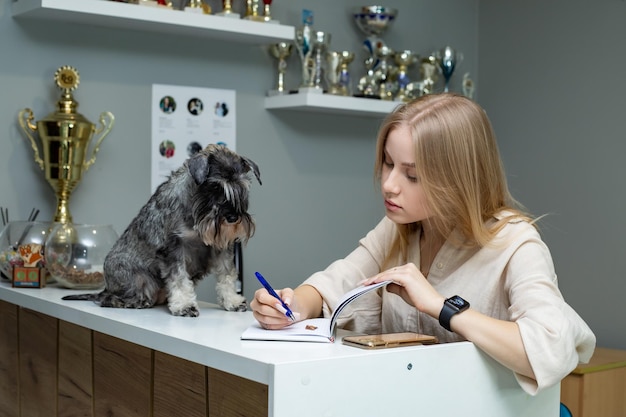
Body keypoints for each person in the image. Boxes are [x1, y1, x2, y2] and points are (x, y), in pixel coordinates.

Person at [251, 93, 596, 395]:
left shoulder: (516, 244)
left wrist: (442, 307)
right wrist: (291, 306)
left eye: (412, 175)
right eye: (388, 163)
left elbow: (550, 347)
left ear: (458, 179)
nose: (389, 184)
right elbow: (337, 281)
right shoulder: (399, 228)